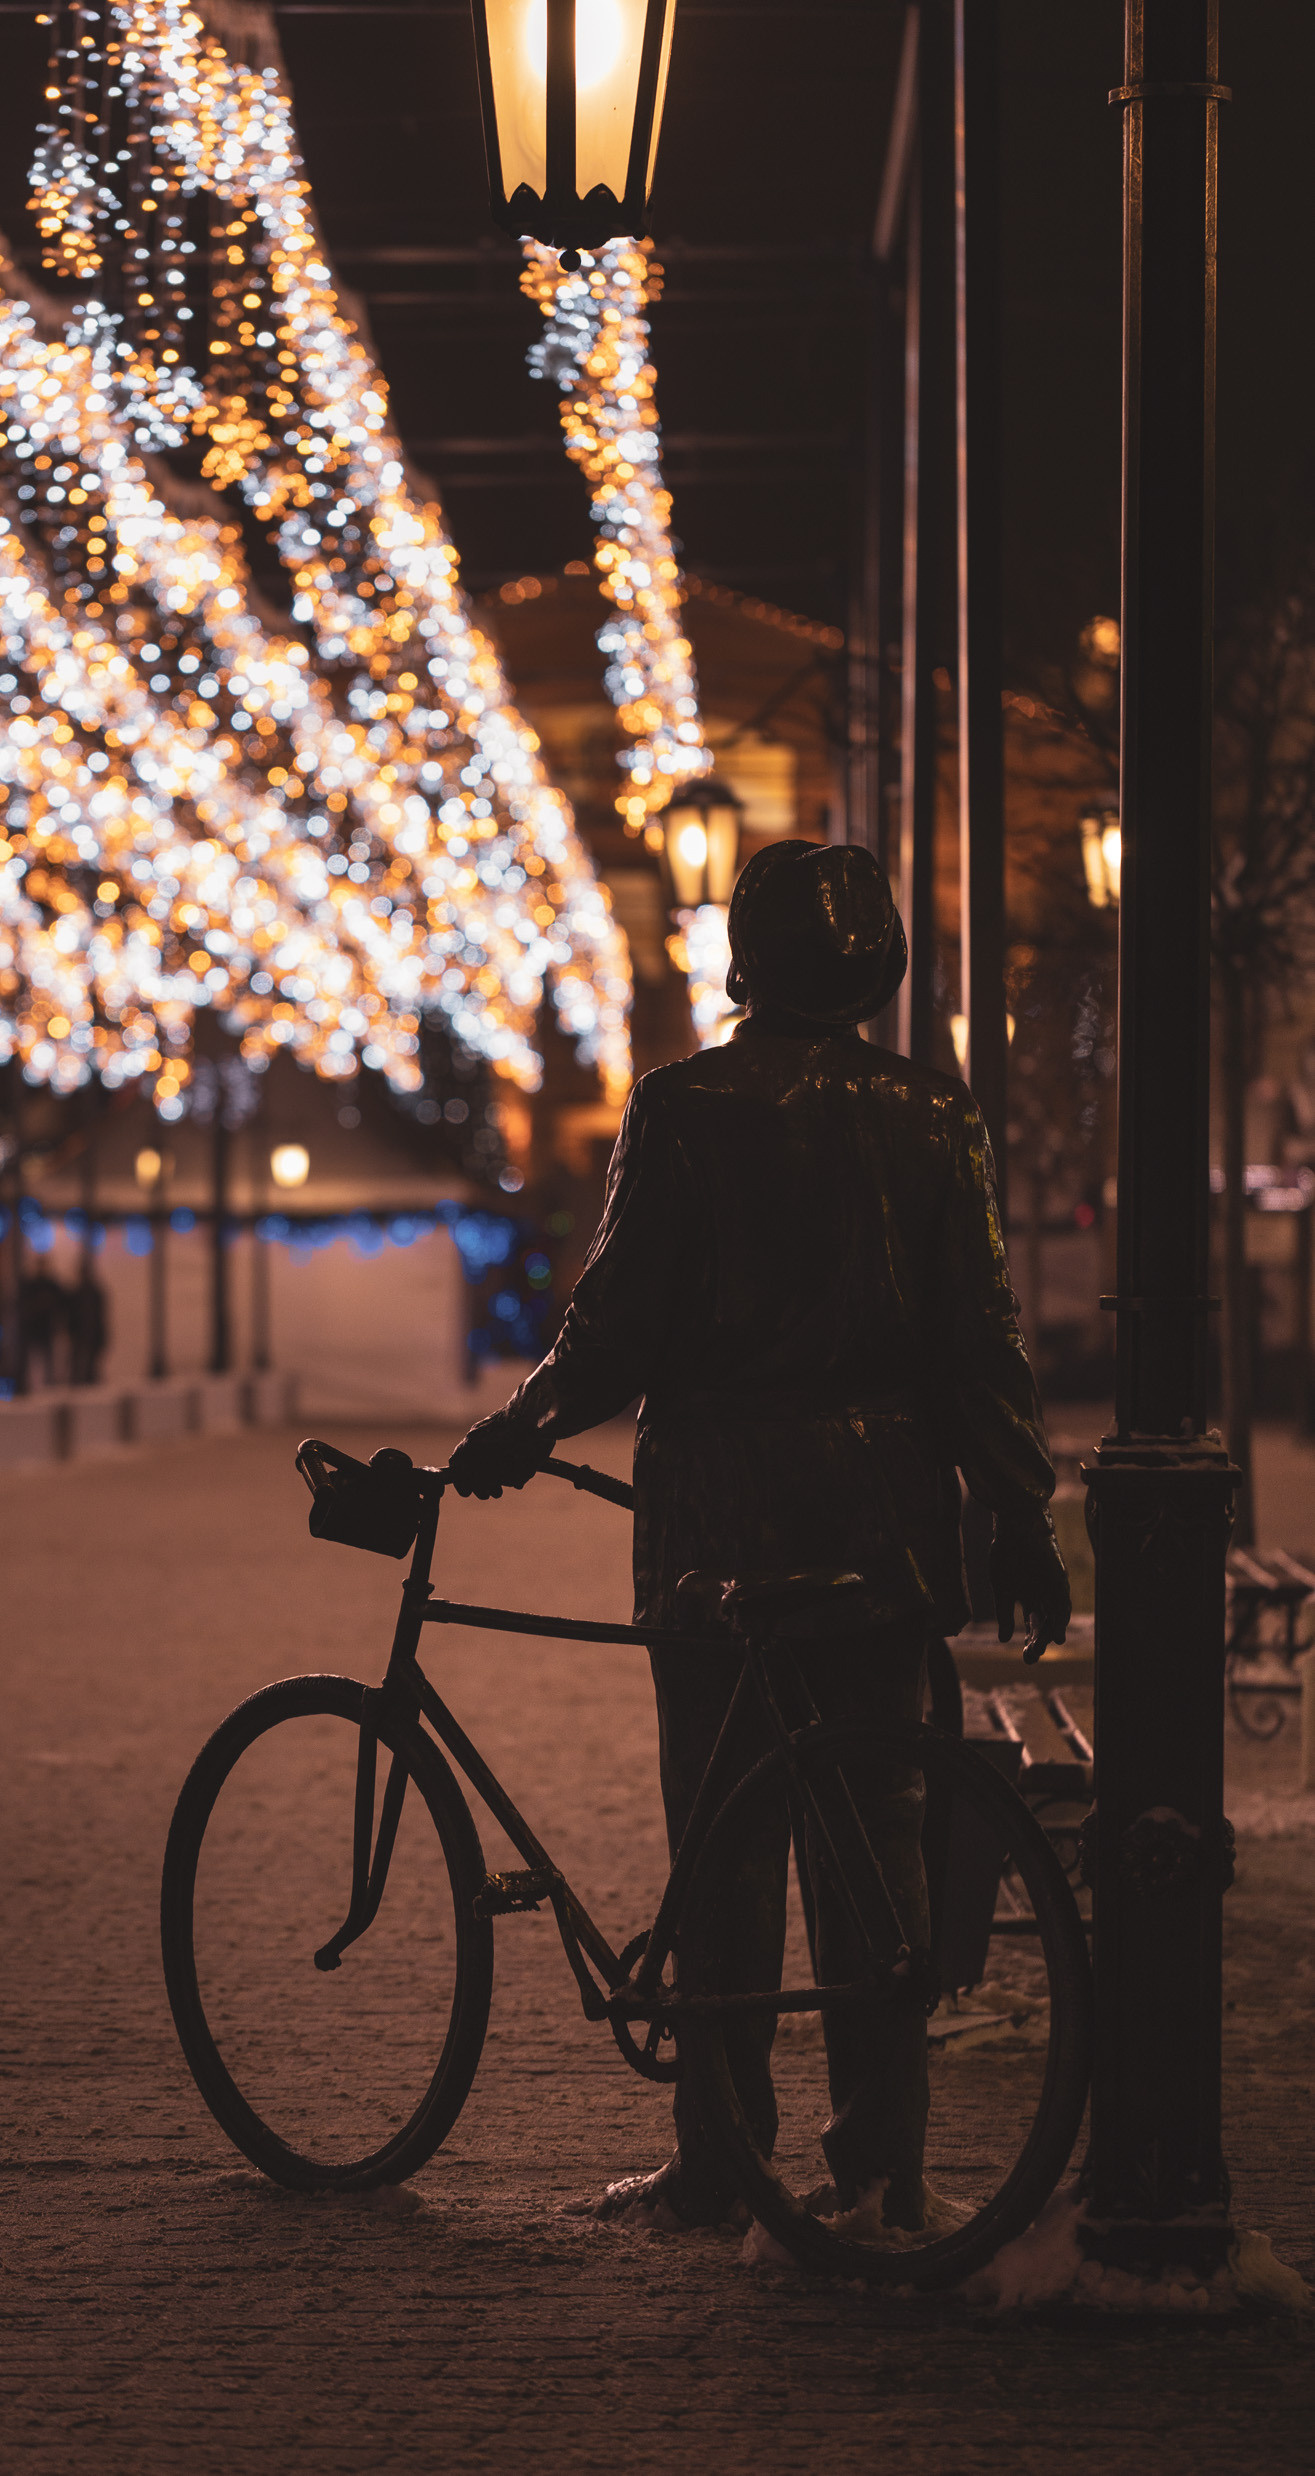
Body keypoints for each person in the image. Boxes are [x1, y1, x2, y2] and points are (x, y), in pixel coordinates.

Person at [447, 839, 1071, 2231]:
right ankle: (882, 2164)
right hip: (881, 1520)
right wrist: (1016, 1506)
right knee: (877, 1844)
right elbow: (978, 1338)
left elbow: (614, 1330)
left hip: (715, 1517)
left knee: (722, 1835)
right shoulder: (930, 1115)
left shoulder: (681, 1110)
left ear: (746, 956)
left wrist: (522, 1430)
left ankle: (722, 2161)